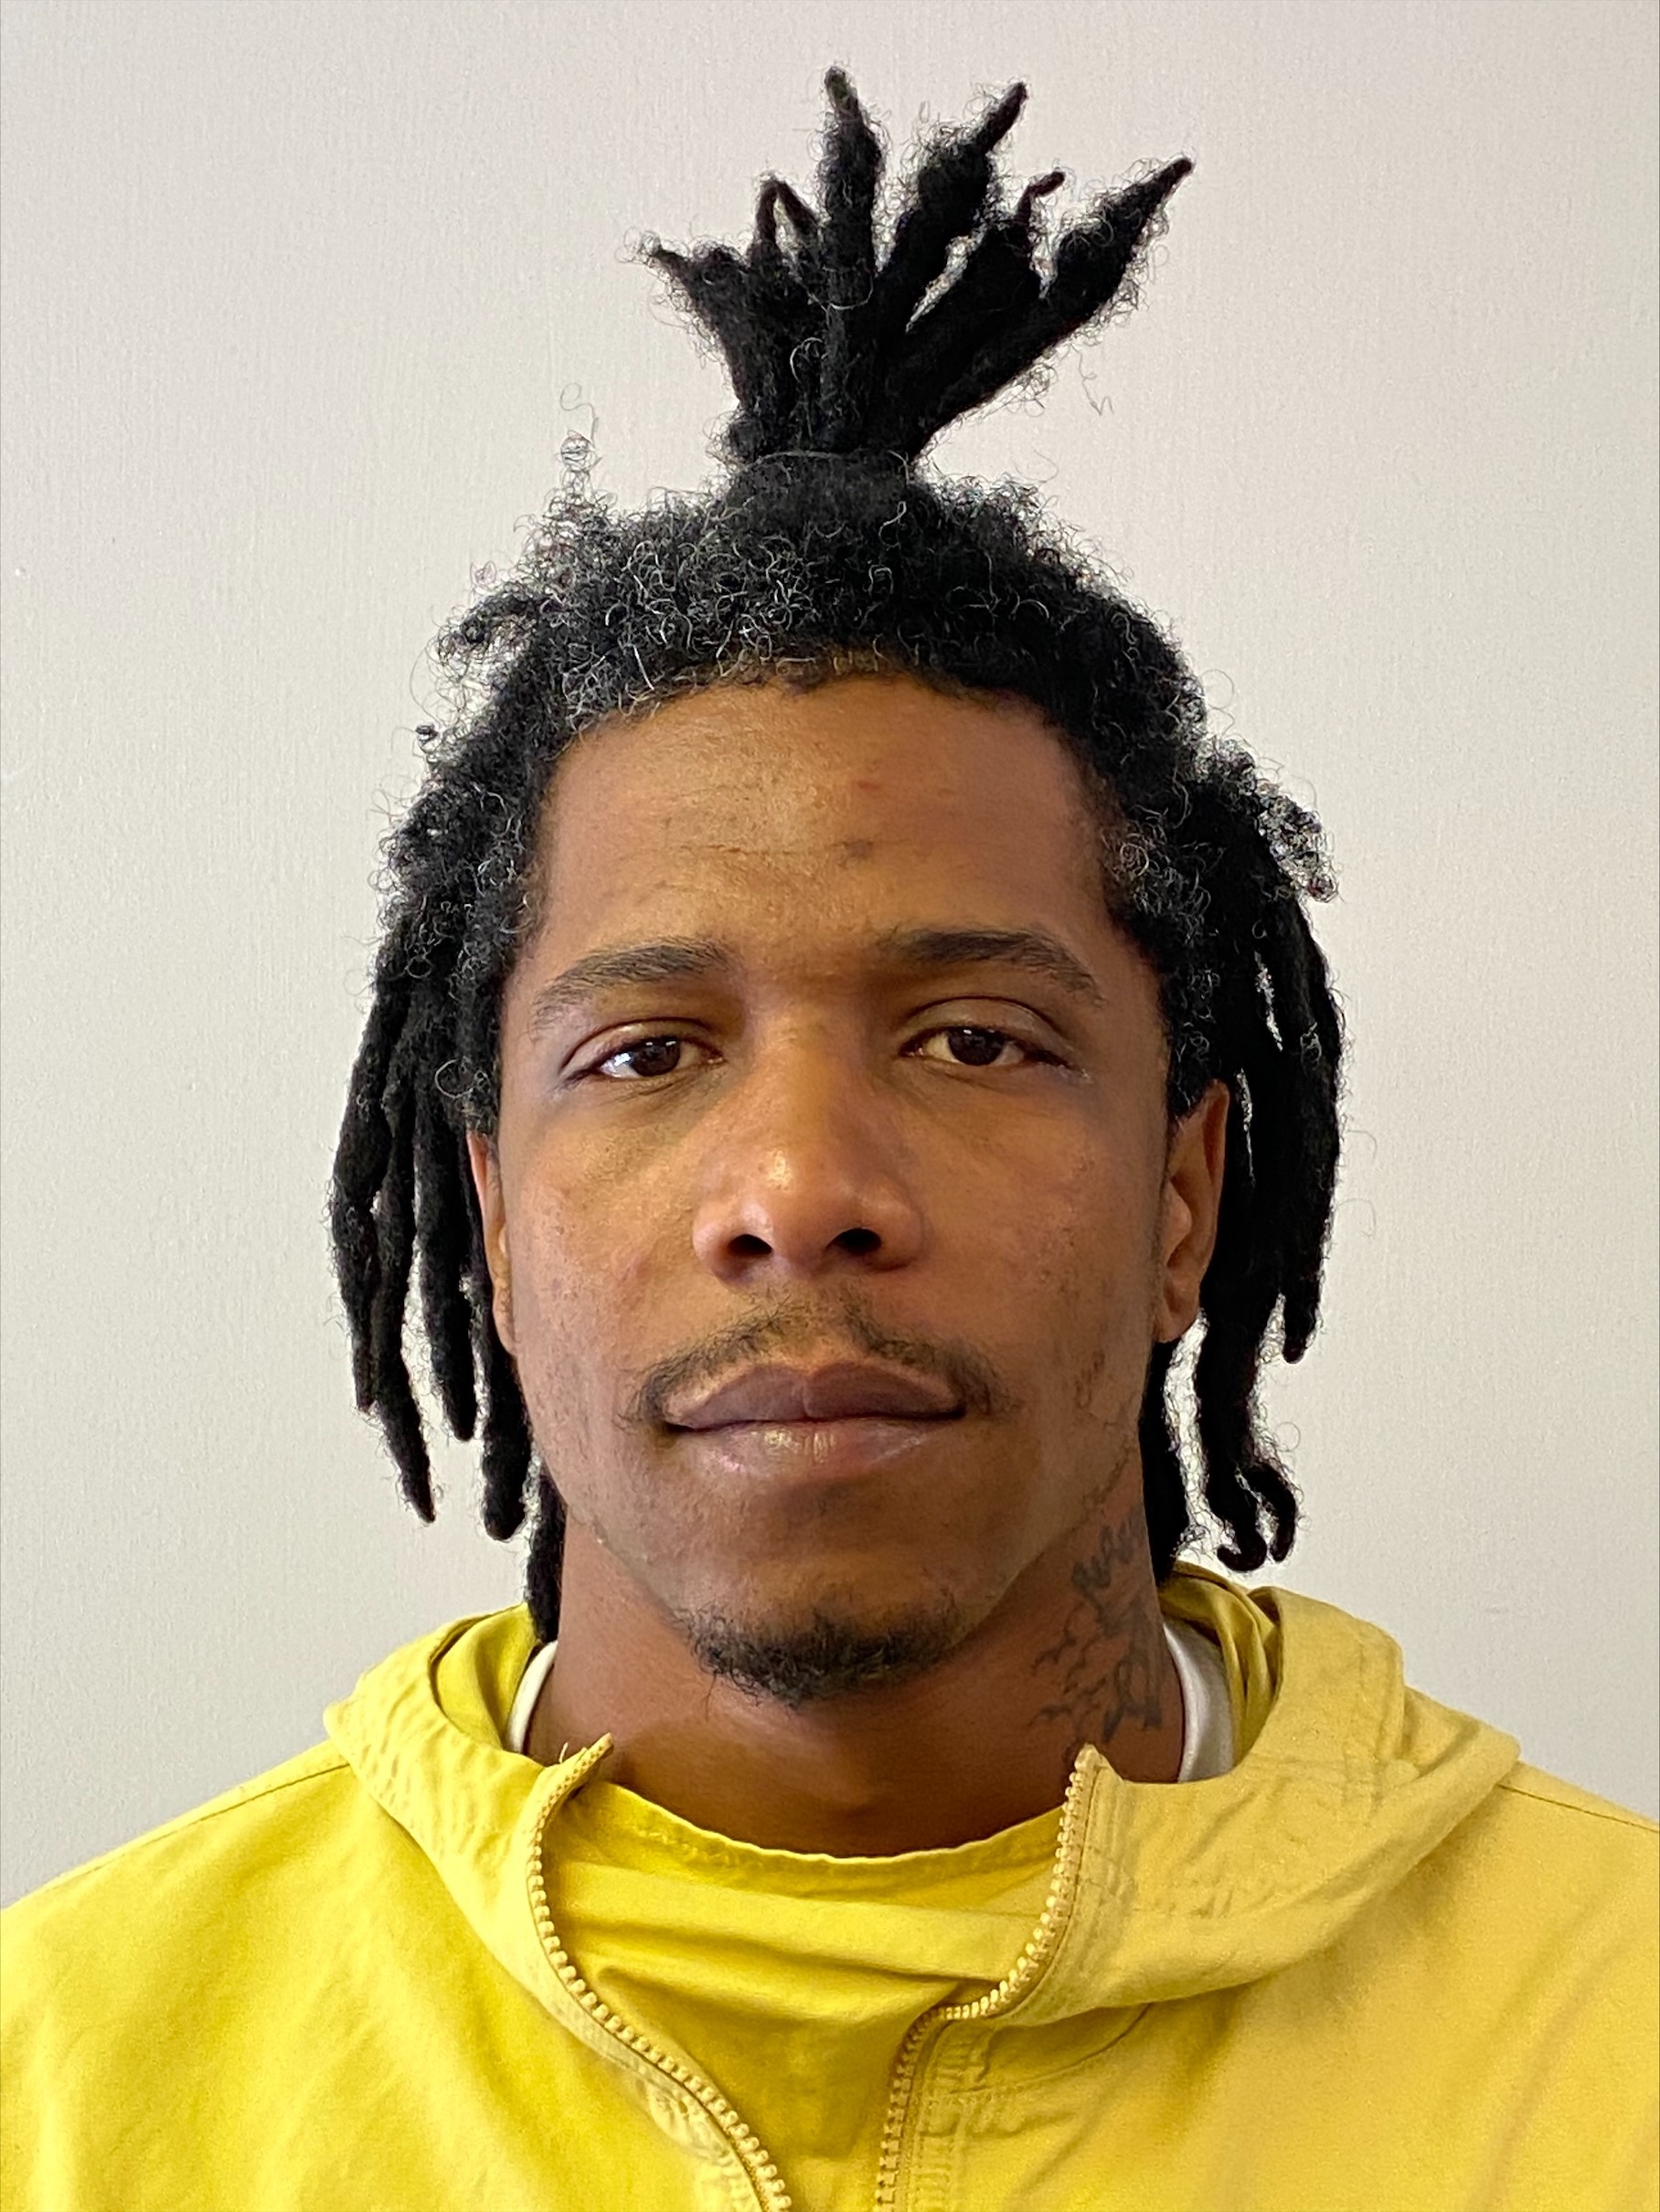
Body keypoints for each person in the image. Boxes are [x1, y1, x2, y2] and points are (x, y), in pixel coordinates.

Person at [2, 70, 1654, 2212]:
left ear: (1183, 1198)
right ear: (489, 1223)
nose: (797, 1192)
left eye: (972, 1039)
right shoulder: (64, 2080)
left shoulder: (1609, 2040)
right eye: (643, 1053)